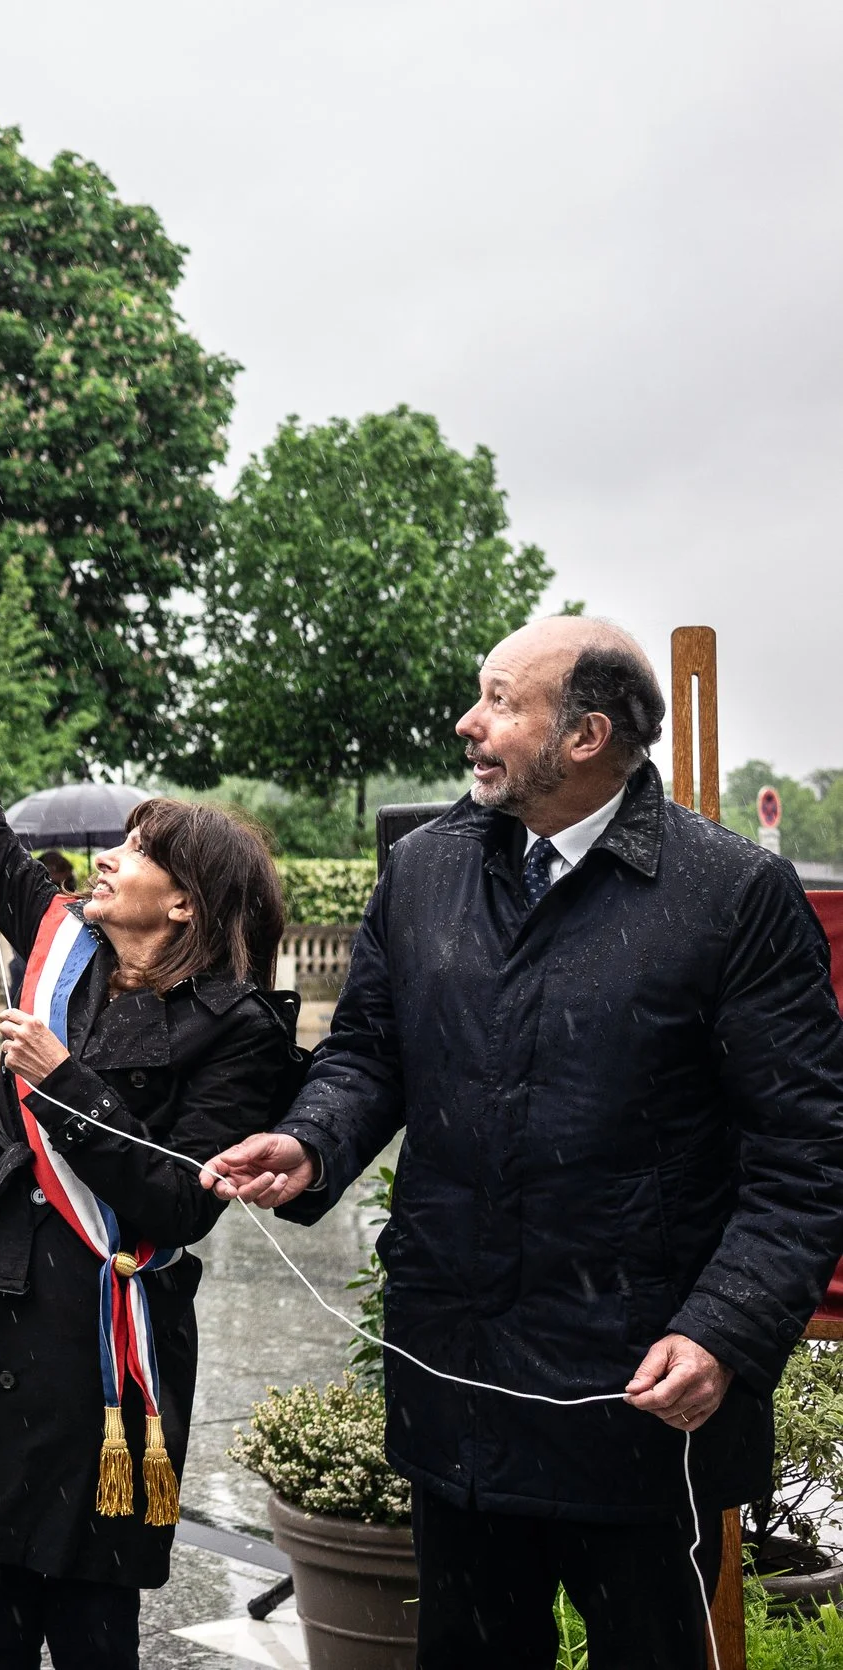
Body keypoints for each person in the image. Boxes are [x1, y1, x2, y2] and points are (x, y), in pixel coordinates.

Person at [206, 615, 843, 1669]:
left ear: (586, 735)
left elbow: (806, 1151)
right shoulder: (421, 871)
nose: (470, 721)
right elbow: (368, 1050)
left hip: (641, 1400)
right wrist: (310, 1139)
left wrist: (724, 1330)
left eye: (502, 700)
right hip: (456, 1382)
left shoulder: (732, 896)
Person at [0, 556, 297, 1670]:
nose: (108, 856)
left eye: (138, 849)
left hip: (98, 1371)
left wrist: (64, 1080)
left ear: (184, 899)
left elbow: (179, 1200)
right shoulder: (63, 952)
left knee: (93, 1633)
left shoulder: (237, 1027)